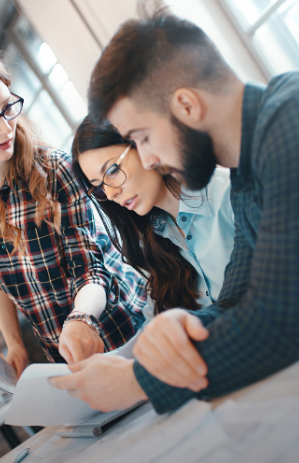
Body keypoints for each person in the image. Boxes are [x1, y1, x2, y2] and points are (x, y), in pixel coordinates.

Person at [48, 10, 299, 413]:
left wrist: (138, 381)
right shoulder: (249, 174)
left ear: (187, 105)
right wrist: (179, 329)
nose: (149, 159)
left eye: (144, 137)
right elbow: (238, 298)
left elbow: (278, 323)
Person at [0, 40, 146, 376]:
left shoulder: (55, 169)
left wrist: (82, 318)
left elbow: (89, 267)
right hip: (61, 352)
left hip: (123, 327)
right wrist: (15, 343)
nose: (5, 127)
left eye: (8, 107)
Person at [71, 116, 235, 323]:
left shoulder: (229, 195)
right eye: (99, 186)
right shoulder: (149, 242)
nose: (111, 194)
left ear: (142, 144)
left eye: (112, 170)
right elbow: (155, 326)